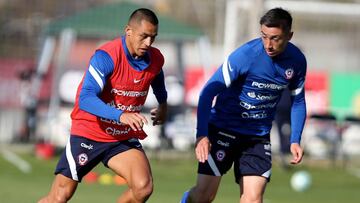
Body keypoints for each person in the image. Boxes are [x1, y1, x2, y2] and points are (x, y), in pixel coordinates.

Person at [38, 8, 167, 203]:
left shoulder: (155, 58)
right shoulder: (107, 56)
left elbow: (156, 75)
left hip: (121, 136)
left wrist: (163, 103)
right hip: (89, 131)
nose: (148, 43)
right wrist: (121, 115)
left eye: (153, 37)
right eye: (144, 36)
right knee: (59, 197)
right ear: (128, 31)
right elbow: (86, 98)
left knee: (143, 187)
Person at [181, 8, 307, 203]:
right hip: (223, 129)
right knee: (203, 196)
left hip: (257, 137)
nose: (268, 44)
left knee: (253, 199)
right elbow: (207, 92)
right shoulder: (246, 55)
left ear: (289, 35)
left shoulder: (297, 61)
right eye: (264, 37)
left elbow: (298, 100)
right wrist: (202, 134)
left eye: (275, 38)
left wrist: (295, 139)